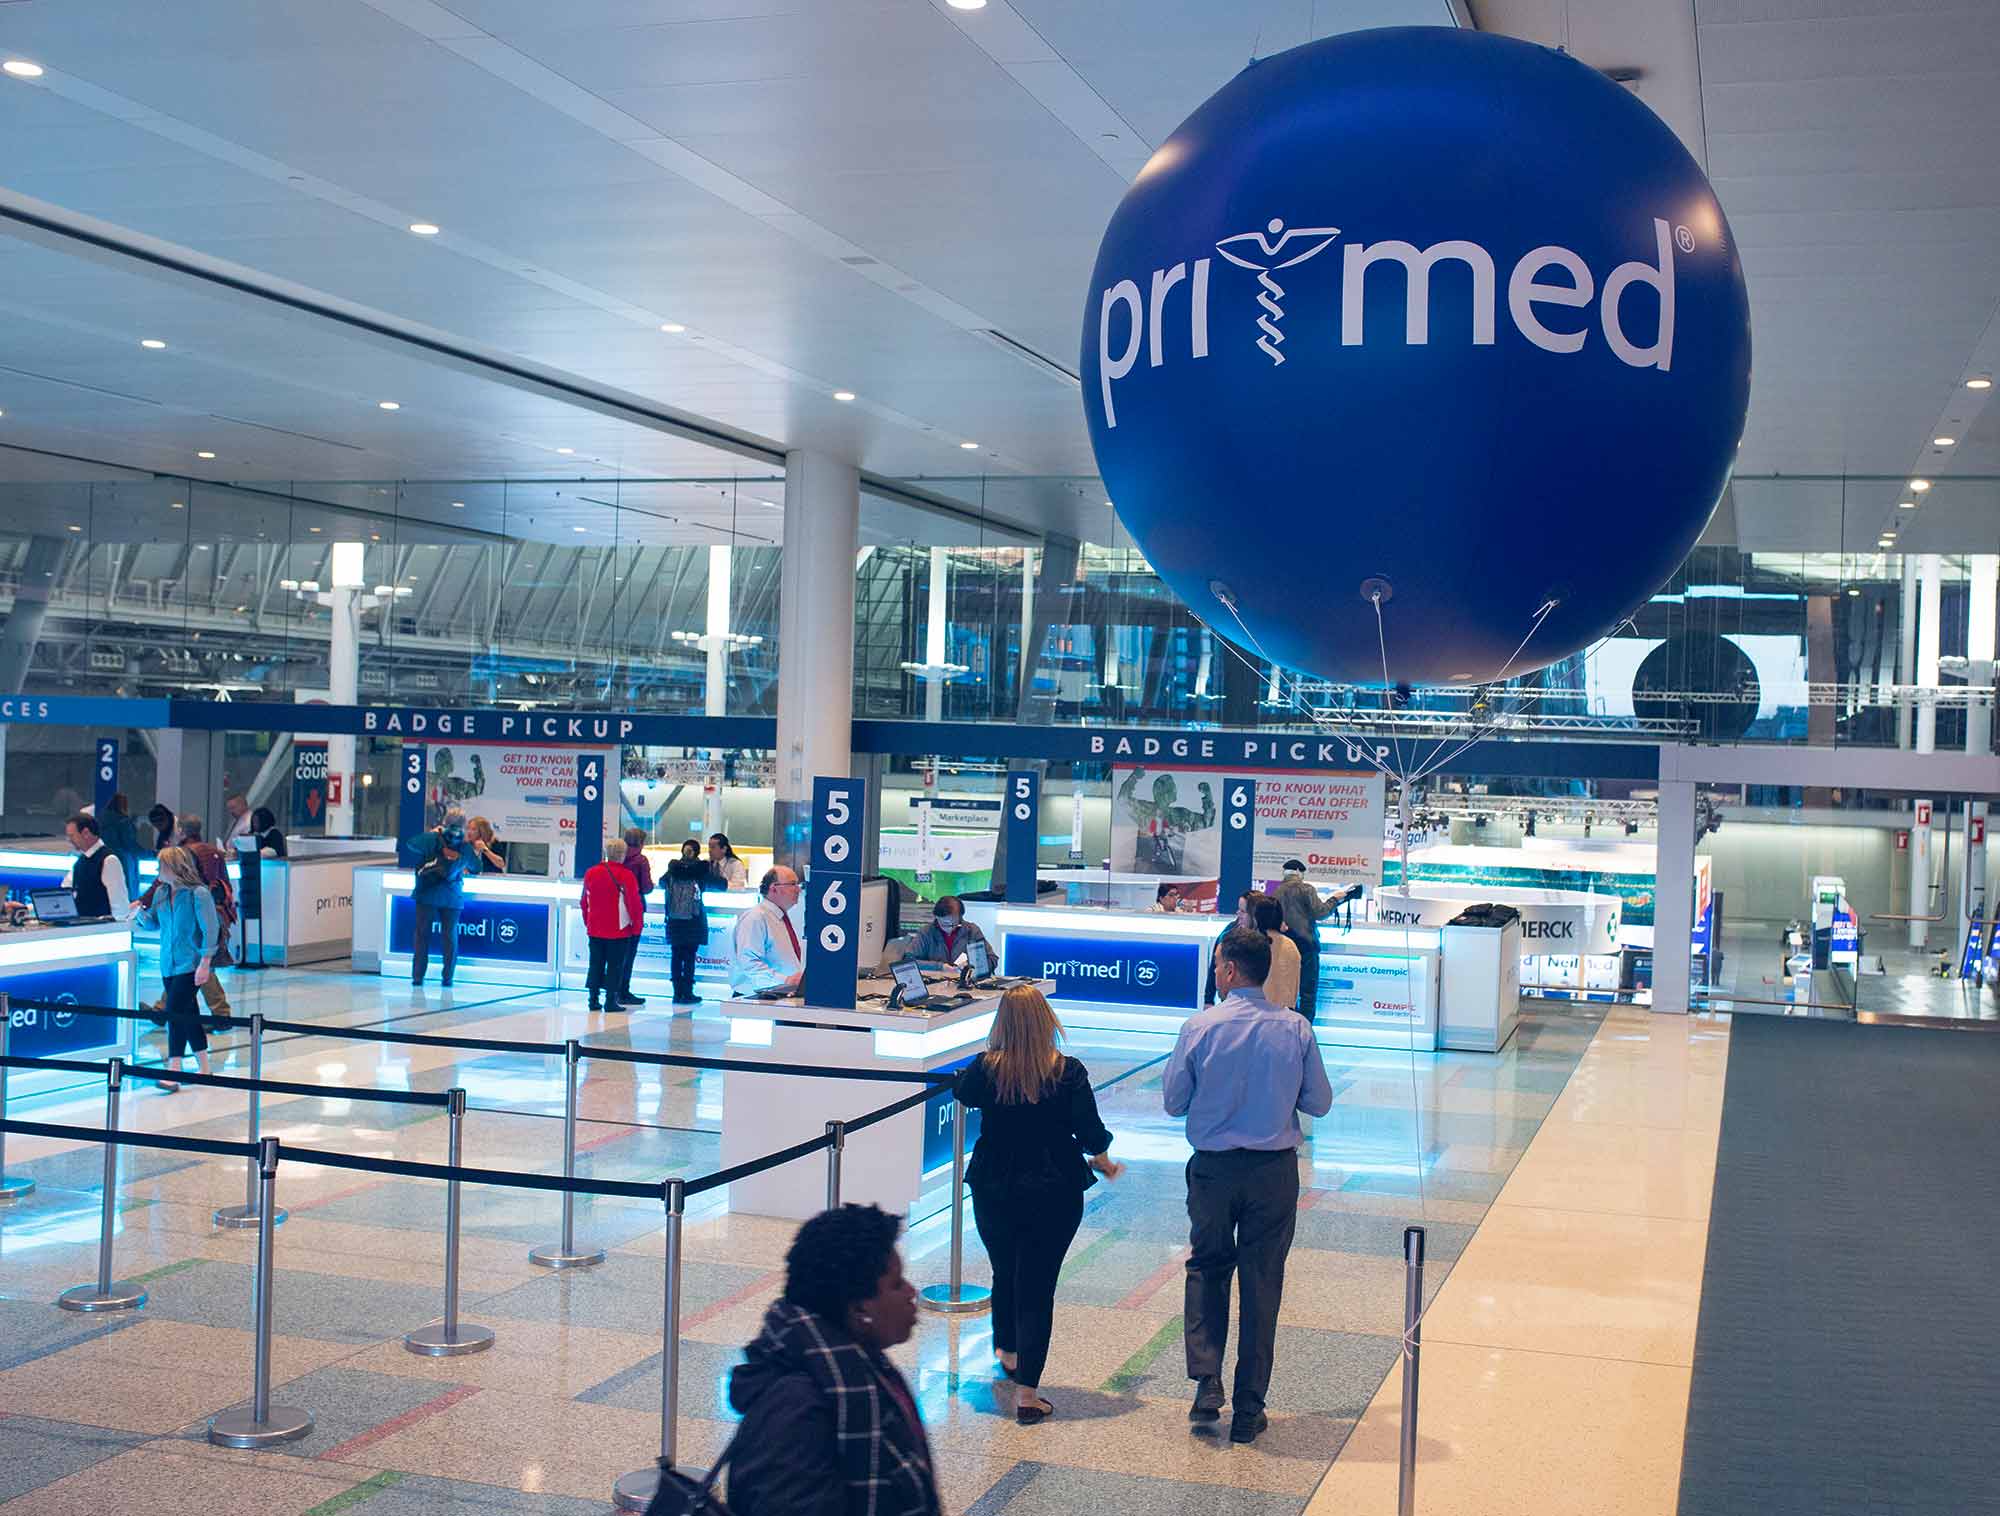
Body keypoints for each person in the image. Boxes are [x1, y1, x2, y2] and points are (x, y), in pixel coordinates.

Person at [1164, 925, 1334, 1444]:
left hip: (1214, 1171)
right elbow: (1320, 1102)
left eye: (1217, 965)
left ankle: (1207, 1378)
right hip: (1272, 1173)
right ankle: (1249, 1409)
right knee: (1262, 1283)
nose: (1215, 973)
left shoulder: (1199, 1027)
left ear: (1230, 971)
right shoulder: (1296, 1029)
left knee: (1207, 1268)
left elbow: (1173, 1101)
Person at [953, 985, 1122, 1423]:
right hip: (1055, 1187)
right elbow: (1090, 1133)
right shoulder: (1066, 1072)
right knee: (1037, 1285)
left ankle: (1007, 1351)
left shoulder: (987, 1070)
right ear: (1047, 1019)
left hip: (994, 1184)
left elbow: (962, 1092)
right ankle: (1028, 1392)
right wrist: (1103, 1160)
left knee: (1004, 1270)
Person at [727, 1204, 941, 1516]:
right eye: (896, 1284)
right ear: (858, 1310)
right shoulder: (797, 1409)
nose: (911, 1293)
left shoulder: (856, 1368)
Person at [136, 846, 220, 1093]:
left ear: (175, 867)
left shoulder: (198, 894)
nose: (157, 871)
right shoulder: (162, 892)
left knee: (173, 1013)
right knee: (188, 1013)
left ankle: (174, 1070)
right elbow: (152, 923)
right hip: (168, 963)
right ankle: (204, 1067)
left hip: (190, 964)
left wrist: (205, 962)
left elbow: (210, 929)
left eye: (161, 866)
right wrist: (139, 913)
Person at [404, 809, 480, 987]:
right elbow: (477, 866)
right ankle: (447, 977)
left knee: (422, 935)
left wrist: (432, 833)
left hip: (427, 893)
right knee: (450, 937)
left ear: (444, 822)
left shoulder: (433, 839)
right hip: (452, 896)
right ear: (463, 825)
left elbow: (411, 844)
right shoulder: (464, 845)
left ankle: (418, 976)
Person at [580, 838, 642, 1012]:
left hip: (595, 927)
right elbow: (634, 904)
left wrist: (588, 921)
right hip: (618, 930)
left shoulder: (591, 872)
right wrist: (637, 926)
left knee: (595, 963)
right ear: (622, 855)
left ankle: (593, 999)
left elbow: (584, 900)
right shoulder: (626, 875)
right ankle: (610, 1001)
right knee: (615, 965)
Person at [1275, 860, 1343, 1018]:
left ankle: (1288, 1029)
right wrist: (1335, 900)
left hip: (1285, 947)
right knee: (1308, 993)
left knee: (1288, 991)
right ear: (1299, 871)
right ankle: (1304, 1030)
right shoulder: (1306, 889)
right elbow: (1320, 913)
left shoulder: (1276, 891)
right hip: (1306, 946)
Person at [730, 865, 804, 994]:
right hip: (755, 999)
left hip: (780, 994)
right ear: (774, 888)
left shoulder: (779, 917)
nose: (798, 890)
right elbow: (749, 963)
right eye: (793, 884)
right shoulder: (755, 917)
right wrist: (785, 980)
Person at [664, 839, 718, 1005]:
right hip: (693, 919)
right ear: (697, 852)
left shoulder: (673, 868)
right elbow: (719, 884)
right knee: (689, 956)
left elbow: (661, 882)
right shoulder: (701, 869)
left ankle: (676, 992)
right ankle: (687, 993)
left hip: (675, 918)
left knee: (676, 955)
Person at [64, 812, 131, 922]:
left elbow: (120, 905)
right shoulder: (81, 862)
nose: (69, 840)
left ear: (86, 833)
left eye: (72, 835)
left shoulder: (109, 860)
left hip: (100, 932)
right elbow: (65, 892)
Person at [610, 833, 652, 1007]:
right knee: (629, 953)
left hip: (614, 909)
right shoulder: (641, 860)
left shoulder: (616, 859)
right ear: (641, 842)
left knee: (615, 954)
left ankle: (613, 990)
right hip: (633, 909)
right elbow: (646, 887)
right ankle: (623, 991)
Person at [906, 895, 992, 967]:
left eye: (953, 924)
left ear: (960, 917)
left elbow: (991, 959)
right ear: (936, 917)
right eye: (943, 924)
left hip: (966, 983)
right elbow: (909, 962)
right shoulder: (926, 932)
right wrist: (940, 967)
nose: (949, 929)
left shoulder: (972, 931)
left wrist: (970, 966)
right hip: (936, 983)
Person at [1252, 894, 1304, 1015]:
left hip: (1257, 1012)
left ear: (1257, 917)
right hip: (1286, 1013)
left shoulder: (1252, 943)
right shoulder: (1291, 945)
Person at [98, 792, 143, 895]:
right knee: (127, 892)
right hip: (124, 860)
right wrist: (152, 853)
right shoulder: (124, 822)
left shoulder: (101, 820)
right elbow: (131, 846)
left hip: (105, 858)